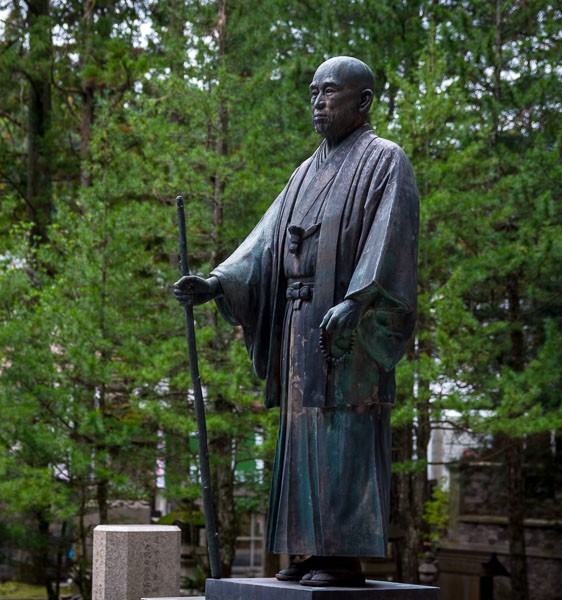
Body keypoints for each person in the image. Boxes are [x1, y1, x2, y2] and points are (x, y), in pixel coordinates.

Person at [174, 56, 419, 587]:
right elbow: (264, 242)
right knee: (301, 430)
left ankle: (343, 555)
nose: (317, 103)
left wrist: (358, 302)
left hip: (348, 329)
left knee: (343, 428)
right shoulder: (304, 172)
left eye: (328, 93)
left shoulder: (385, 161)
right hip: (298, 321)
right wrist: (217, 282)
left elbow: (390, 239)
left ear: (363, 101)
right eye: (312, 93)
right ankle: (311, 549)